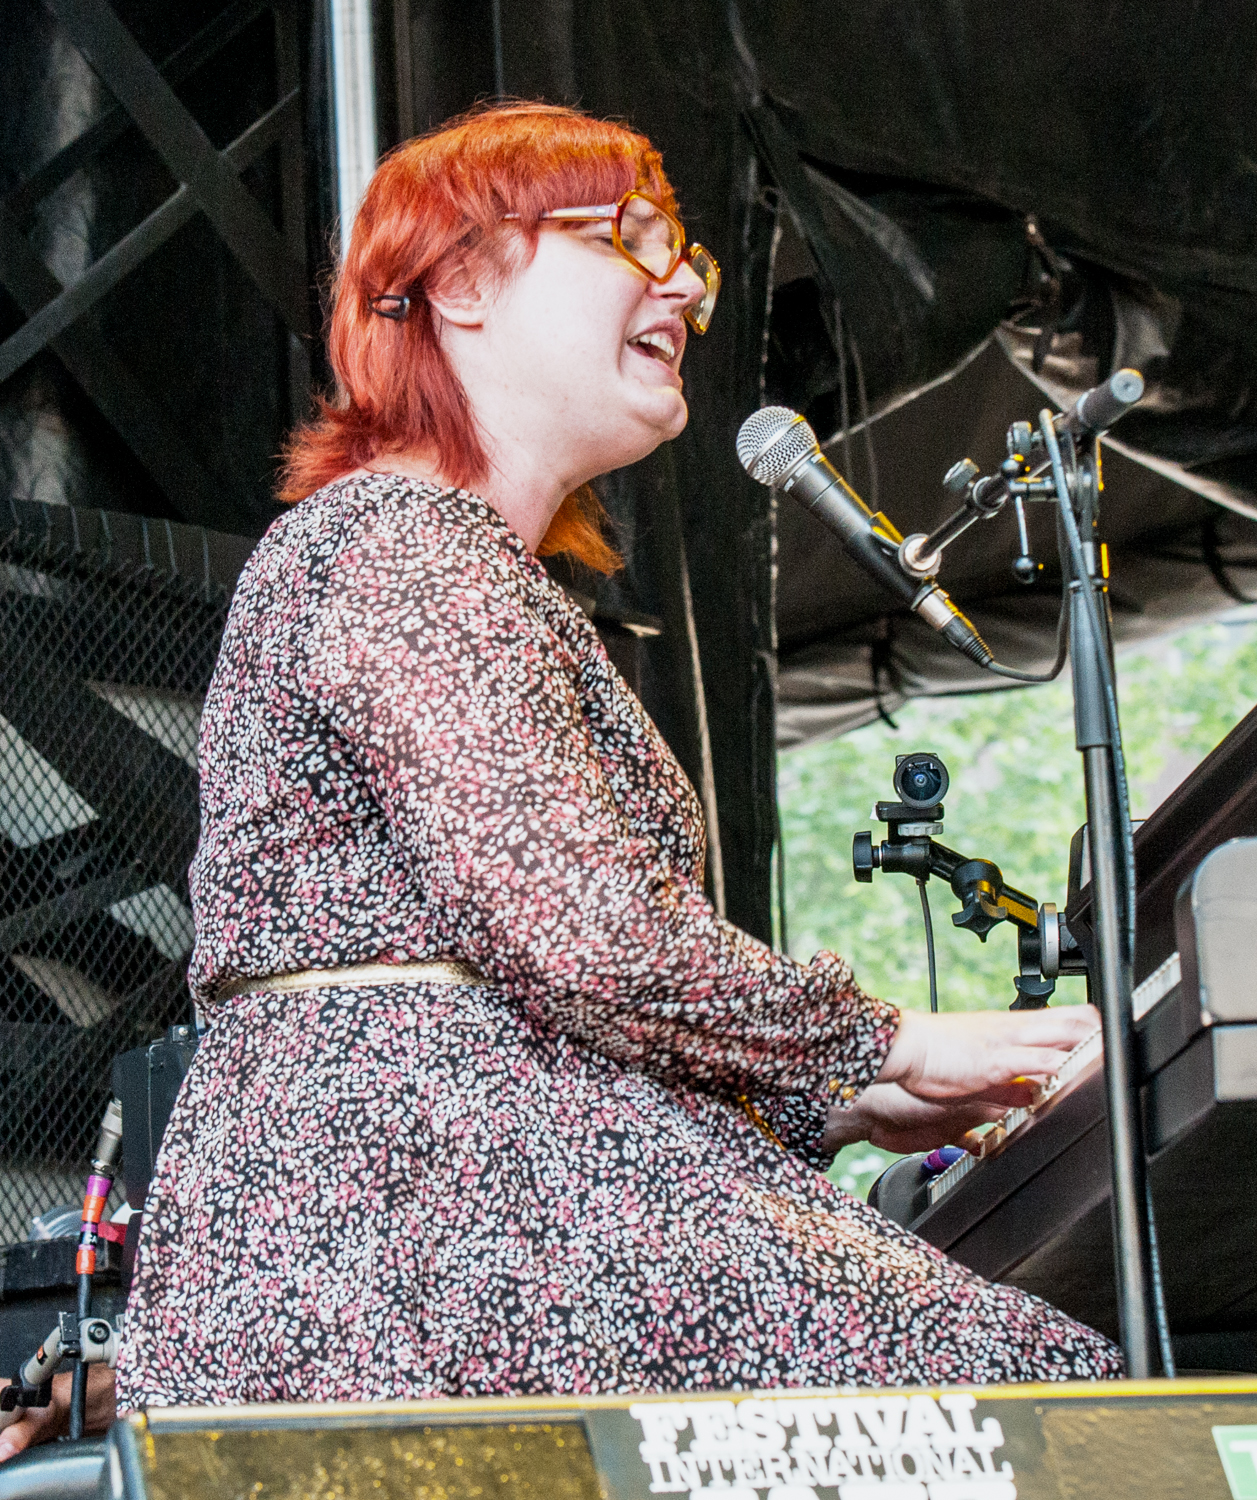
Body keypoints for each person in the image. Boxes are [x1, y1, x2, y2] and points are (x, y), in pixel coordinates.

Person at [0, 102, 1117, 1458]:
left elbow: (541, 974)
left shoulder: (444, 563)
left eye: (688, 252)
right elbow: (579, 933)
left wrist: (827, 1092)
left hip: (434, 1225)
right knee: (1056, 1424)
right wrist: (885, 1042)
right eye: (632, 236)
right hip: (419, 1240)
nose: (686, 284)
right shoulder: (402, 543)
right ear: (461, 283)